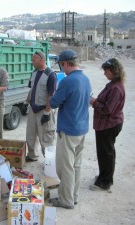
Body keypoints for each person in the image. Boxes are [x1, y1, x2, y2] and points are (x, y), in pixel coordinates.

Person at [49, 49, 92, 209]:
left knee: (65, 167)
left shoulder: (67, 81)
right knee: (76, 165)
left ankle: (65, 200)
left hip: (68, 130)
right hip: (81, 128)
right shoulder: (85, 79)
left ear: (66, 64)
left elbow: (54, 103)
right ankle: (73, 196)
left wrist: (53, 96)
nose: (62, 69)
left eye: (61, 65)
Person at [89, 58, 125, 192]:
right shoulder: (113, 84)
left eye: (106, 70)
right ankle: (105, 176)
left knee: (106, 153)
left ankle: (105, 182)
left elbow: (108, 109)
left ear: (114, 71)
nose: (104, 73)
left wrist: (93, 102)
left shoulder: (116, 88)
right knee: (106, 152)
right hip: (106, 125)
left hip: (108, 125)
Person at [26, 51, 57, 161]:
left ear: (42, 60)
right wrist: (28, 102)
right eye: (32, 59)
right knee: (30, 136)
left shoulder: (50, 75)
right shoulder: (34, 72)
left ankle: (49, 162)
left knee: (46, 138)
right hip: (33, 109)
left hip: (43, 110)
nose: (32, 62)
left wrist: (47, 113)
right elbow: (32, 89)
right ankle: (32, 155)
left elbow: (51, 96)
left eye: (34, 60)